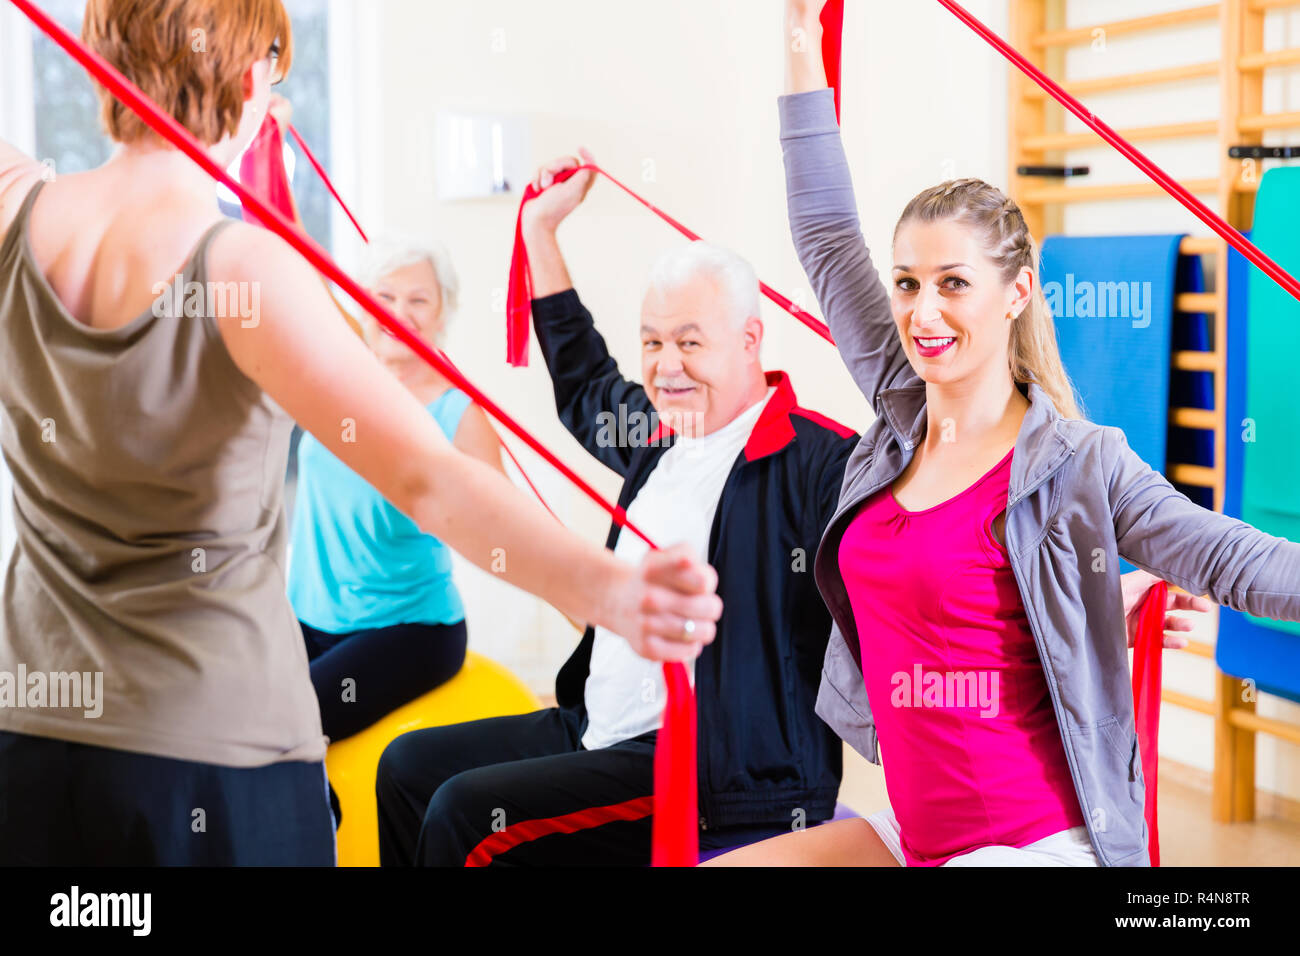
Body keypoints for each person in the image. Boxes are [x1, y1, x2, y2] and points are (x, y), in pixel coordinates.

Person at [0, 0, 719, 866]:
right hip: (212, 754)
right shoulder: (244, 269)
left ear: (97, 57)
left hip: (34, 732)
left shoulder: (14, 212)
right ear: (253, 79)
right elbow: (428, 480)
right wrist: (610, 589)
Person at [708, 0, 1298, 867]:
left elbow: (1236, 561)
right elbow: (828, 235)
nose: (923, 310)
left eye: (953, 283)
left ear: (1017, 291)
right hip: (917, 835)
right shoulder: (903, 409)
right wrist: (800, 25)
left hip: (1031, 849)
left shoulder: (1078, 464)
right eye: (908, 284)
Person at [373, 148, 864, 867]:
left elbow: (903, 519)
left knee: (464, 814)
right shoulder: (658, 437)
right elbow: (582, 379)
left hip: (708, 767)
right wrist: (540, 233)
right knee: (407, 766)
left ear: (750, 339)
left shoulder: (820, 459)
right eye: (653, 342)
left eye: (690, 343)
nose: (667, 366)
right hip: (599, 725)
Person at [288, 239, 503, 745]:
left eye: (418, 299)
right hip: (307, 618)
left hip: (409, 631)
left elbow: (511, 528)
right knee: (220, 711)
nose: (399, 313)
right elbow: (302, 268)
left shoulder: (458, 415)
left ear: (443, 311)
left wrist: (597, 609)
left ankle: (321, 820)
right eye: (383, 297)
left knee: (285, 724)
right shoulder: (342, 378)